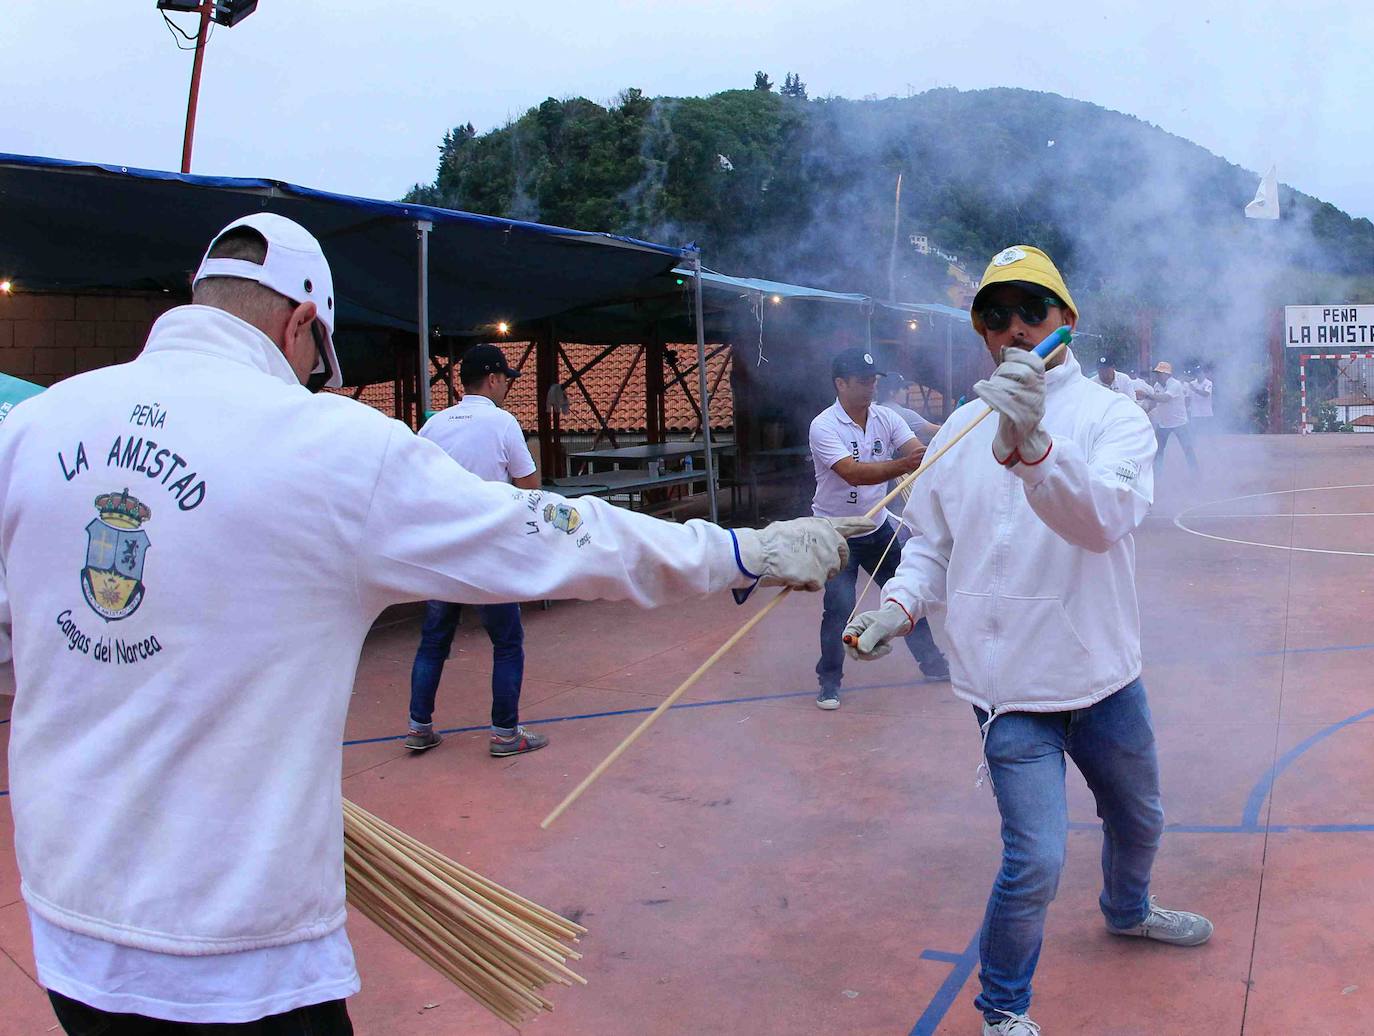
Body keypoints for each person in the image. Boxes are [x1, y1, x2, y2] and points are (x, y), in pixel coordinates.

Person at [0, 213, 866, 1034]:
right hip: (237, 955)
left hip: (69, 932)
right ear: (304, 322)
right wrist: (741, 552)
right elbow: (554, 536)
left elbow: (20, 649)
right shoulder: (324, 443)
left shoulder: (31, 428)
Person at [843, 245, 1212, 1036]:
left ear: (1067, 321)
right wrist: (897, 607)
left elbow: (1102, 523)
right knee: (1036, 859)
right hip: (1007, 690)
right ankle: (1002, 1010)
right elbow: (933, 546)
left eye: (1032, 311)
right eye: (995, 316)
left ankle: (1128, 908)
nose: (1014, 329)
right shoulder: (960, 429)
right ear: (981, 333)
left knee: (1140, 819)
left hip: (1103, 676)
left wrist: (1034, 444)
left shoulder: (1115, 417)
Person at [405, 343, 547, 757]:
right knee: (507, 643)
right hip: (489, 553)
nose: (506, 387)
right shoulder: (503, 424)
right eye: (505, 379)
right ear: (493, 378)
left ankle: (419, 727)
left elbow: (413, 483)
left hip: (443, 553)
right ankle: (505, 734)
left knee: (433, 642)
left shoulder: (434, 426)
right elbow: (530, 488)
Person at [810, 347, 949, 711]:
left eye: (874, 380)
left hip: (877, 528)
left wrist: (923, 456)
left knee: (904, 597)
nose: (871, 387)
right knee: (838, 608)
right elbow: (852, 473)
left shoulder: (886, 417)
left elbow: (916, 450)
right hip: (837, 534)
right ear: (840, 383)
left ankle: (932, 663)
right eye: (862, 381)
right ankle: (829, 682)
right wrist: (903, 463)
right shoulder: (824, 425)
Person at [1147, 360, 1199, 473]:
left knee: (1187, 448)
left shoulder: (1175, 384)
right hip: (1163, 423)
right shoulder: (1157, 385)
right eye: (1157, 373)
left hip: (1179, 423)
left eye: (1159, 373)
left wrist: (1147, 395)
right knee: (1158, 450)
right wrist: (1145, 411)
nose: (1157, 375)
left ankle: (1195, 472)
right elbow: (1155, 402)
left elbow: (1165, 398)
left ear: (1167, 374)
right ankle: (1157, 473)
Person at [876, 371, 942, 444]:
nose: (907, 391)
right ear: (892, 392)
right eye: (904, 388)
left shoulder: (874, 409)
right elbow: (938, 430)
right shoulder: (903, 414)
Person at [1186, 363, 1215, 434]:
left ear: (1204, 373)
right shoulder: (1192, 383)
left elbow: (1206, 394)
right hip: (1194, 413)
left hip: (1206, 413)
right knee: (1195, 433)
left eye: (1200, 372)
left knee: (1207, 433)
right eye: (1197, 373)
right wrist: (1186, 408)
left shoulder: (1208, 383)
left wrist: (1194, 389)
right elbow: (1188, 397)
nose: (1199, 374)